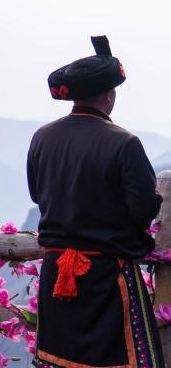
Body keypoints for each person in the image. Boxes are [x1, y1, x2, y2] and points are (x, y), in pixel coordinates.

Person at [28, 36, 164, 368]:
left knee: (60, 360)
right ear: (108, 95)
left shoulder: (42, 137)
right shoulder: (124, 143)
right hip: (107, 276)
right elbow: (144, 209)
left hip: (57, 274)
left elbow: (37, 194)